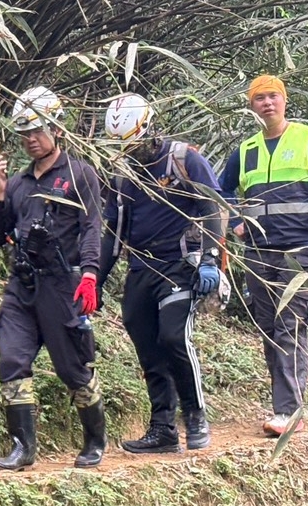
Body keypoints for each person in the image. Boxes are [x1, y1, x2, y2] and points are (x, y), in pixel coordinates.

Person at [0, 86, 106, 470]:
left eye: (37, 131)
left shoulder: (78, 174)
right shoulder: (20, 182)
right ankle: (23, 447)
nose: (31, 140)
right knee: (11, 358)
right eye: (24, 134)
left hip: (62, 284)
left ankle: (94, 440)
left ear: (56, 128)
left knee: (74, 368)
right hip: (23, 284)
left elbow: (92, 228)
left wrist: (89, 274)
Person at [100, 93, 227, 453]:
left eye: (134, 144)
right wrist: (94, 277)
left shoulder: (184, 159)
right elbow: (114, 231)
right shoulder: (123, 174)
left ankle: (196, 416)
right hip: (141, 266)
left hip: (179, 264)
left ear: (149, 130)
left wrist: (211, 258)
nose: (130, 151)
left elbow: (211, 208)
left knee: (173, 337)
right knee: (147, 345)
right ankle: (162, 428)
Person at [218, 74, 308, 437]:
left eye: (273, 96)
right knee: (270, 329)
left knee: (292, 327)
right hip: (259, 254)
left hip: (301, 251)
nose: (267, 103)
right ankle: (286, 404)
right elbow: (220, 190)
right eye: (260, 99)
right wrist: (235, 222)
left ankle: (288, 410)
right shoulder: (245, 150)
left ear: (284, 101)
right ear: (252, 106)